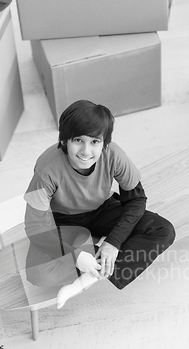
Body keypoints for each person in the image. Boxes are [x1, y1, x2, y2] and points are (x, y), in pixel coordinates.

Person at [24, 100, 175, 309]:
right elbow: (34, 227)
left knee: (162, 230)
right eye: (78, 140)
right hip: (62, 219)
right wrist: (76, 257)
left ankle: (86, 279)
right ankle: (92, 259)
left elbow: (136, 199)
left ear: (104, 143)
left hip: (103, 209)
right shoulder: (46, 168)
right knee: (37, 273)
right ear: (64, 140)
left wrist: (113, 242)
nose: (86, 151)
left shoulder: (114, 154)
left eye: (95, 142)